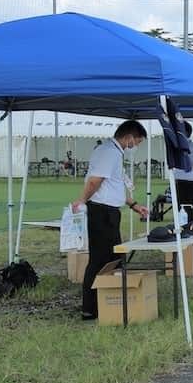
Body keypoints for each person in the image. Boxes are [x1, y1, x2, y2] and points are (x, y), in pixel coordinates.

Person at [72, 120, 149, 321]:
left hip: (110, 211)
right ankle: (90, 308)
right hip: (101, 212)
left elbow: (113, 186)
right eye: (137, 141)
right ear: (129, 136)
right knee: (99, 260)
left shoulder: (114, 152)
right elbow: (95, 181)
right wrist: (83, 199)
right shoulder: (109, 152)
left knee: (113, 258)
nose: (136, 146)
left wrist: (134, 205)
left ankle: (108, 301)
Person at [172, 121, 193, 222]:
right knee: (183, 209)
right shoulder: (176, 145)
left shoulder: (190, 147)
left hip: (187, 182)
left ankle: (188, 228)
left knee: (187, 209)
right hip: (181, 181)